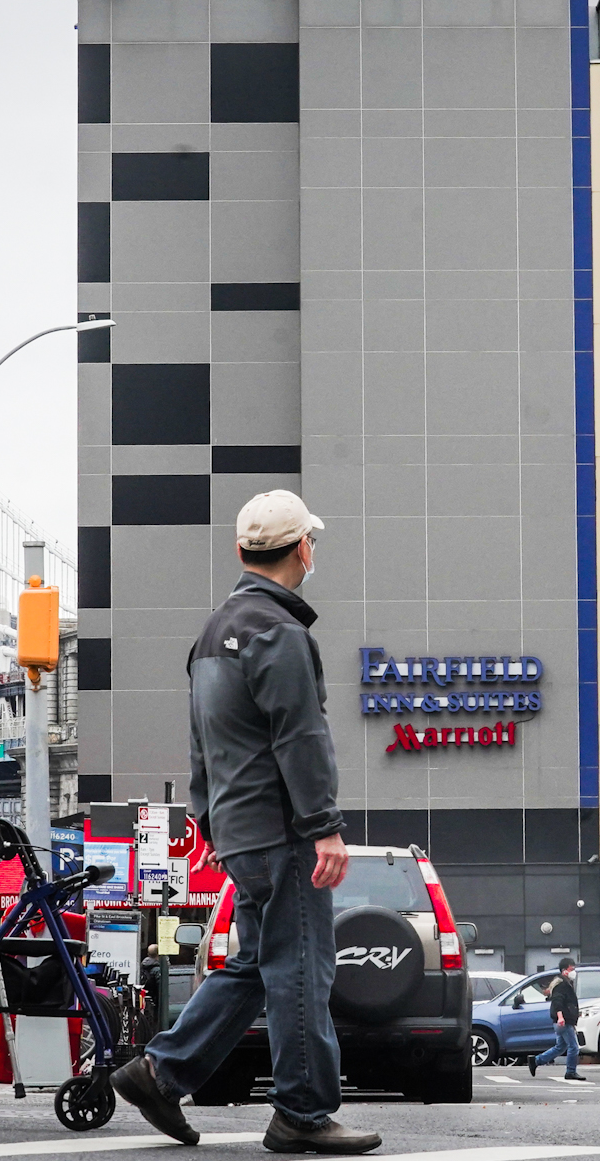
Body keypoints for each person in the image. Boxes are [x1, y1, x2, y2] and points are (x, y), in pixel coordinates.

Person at [112, 491, 380, 1155]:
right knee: (300, 970)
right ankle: (302, 1113)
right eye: (312, 543)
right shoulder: (281, 634)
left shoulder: (211, 633)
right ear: (303, 550)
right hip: (282, 830)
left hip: (236, 829)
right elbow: (300, 738)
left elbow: (203, 740)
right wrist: (323, 825)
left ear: (241, 552)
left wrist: (206, 818)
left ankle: (161, 1070)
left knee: (257, 963)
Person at [528, 958, 585, 1082]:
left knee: (560, 1047)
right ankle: (570, 1071)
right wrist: (561, 1017)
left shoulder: (566, 982)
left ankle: (536, 1061)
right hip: (563, 1021)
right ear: (564, 970)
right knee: (573, 1047)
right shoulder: (561, 984)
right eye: (571, 969)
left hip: (564, 1020)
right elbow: (557, 1002)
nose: (573, 972)